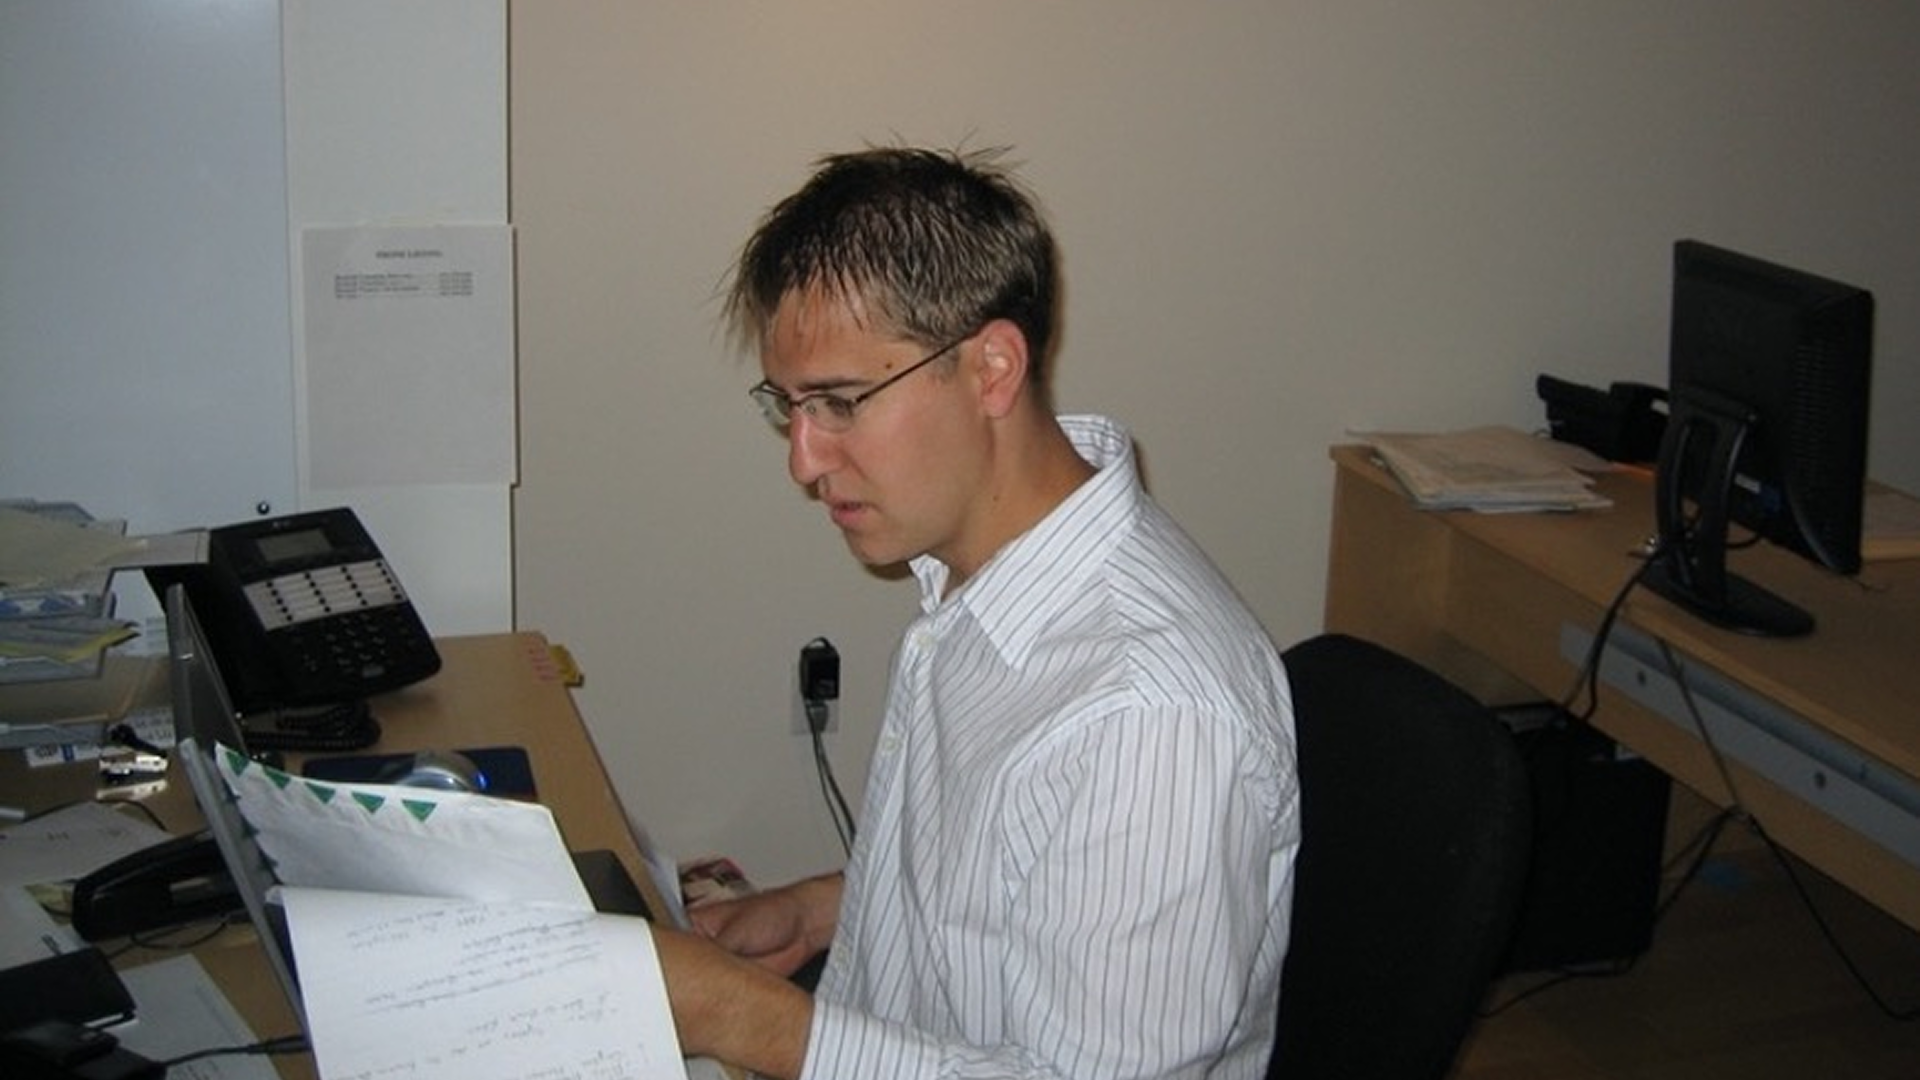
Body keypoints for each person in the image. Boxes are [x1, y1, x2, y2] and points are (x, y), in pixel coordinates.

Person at [651, 145, 1300, 1080]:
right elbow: (1015, 874)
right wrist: (826, 906)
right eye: (787, 407)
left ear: (992, 367)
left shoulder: (1148, 718)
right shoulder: (983, 574)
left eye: (839, 402)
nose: (802, 460)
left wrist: (742, 1021)